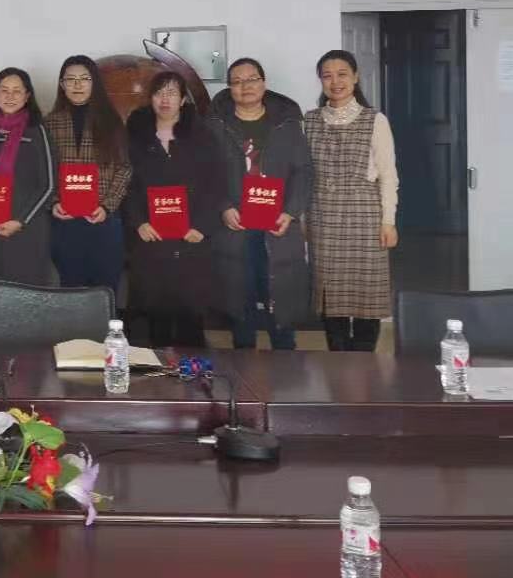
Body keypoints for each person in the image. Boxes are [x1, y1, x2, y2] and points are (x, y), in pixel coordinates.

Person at [210, 57, 314, 350]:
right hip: (235, 225)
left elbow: (304, 171)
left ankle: (285, 355)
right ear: (229, 88)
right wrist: (223, 206)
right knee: (239, 295)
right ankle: (242, 358)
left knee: (279, 294)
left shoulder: (287, 124)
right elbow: (205, 173)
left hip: (276, 225)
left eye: (252, 79)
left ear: (264, 83)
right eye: (237, 81)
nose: (245, 86)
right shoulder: (215, 126)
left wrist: (290, 212)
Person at [304, 50, 400, 352]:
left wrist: (389, 222)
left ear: (356, 77)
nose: (335, 82)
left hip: (365, 219)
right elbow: (303, 175)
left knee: (365, 297)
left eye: (342, 74)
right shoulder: (309, 121)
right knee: (329, 298)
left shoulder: (375, 120)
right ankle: (338, 361)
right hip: (323, 219)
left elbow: (388, 176)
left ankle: (364, 362)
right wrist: (303, 220)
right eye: (327, 76)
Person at [121, 71, 221, 348]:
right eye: (159, 93)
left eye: (172, 93)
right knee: (155, 315)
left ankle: (194, 371)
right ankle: (157, 372)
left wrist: (201, 225)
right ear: (150, 98)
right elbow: (125, 183)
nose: (165, 99)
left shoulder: (202, 135)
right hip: (150, 237)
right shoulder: (135, 136)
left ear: (183, 99)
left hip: (191, 237)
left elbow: (216, 184)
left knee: (191, 316)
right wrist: (139, 222)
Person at [42, 55, 131, 292]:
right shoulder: (49, 124)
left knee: (105, 290)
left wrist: (107, 206)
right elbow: (42, 170)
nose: (77, 85)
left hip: (103, 219)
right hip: (65, 221)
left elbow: (124, 168)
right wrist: (53, 203)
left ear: (94, 83)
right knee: (71, 290)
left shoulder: (111, 122)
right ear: (62, 85)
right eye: (70, 79)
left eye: (84, 79)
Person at [0, 67, 54, 288]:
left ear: (27, 96)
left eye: (17, 91)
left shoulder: (38, 130)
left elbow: (49, 185)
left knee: (29, 292)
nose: (10, 96)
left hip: (27, 228)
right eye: (4, 90)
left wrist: (20, 221)